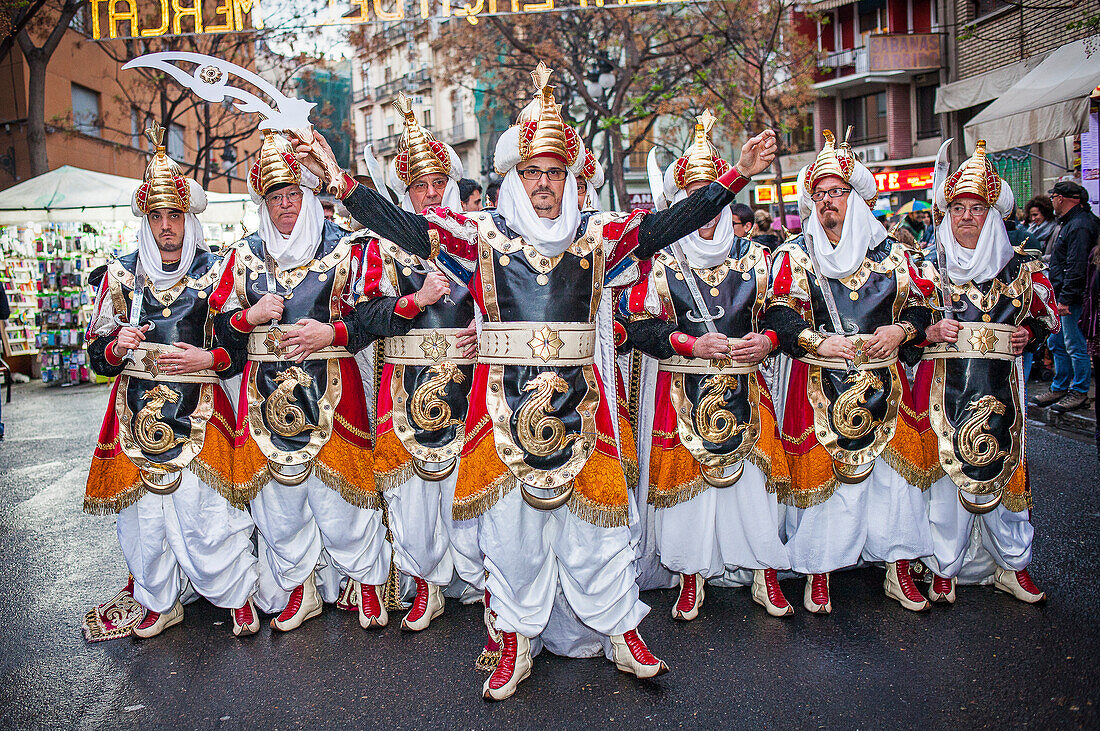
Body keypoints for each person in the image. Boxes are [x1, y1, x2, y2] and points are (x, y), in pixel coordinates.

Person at [293, 62, 776, 701]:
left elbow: (668, 225)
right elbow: (405, 226)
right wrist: (342, 182)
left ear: (568, 176)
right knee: (511, 535)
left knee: (596, 530)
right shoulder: (479, 238)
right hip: (501, 408)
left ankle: (619, 630)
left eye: (554, 172)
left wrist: (735, 177)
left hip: (584, 409)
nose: (544, 184)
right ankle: (516, 638)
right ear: (515, 177)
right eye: (532, 172)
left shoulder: (600, 235)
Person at [82, 123, 259, 639]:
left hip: (200, 411)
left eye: (174, 216)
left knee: (208, 517)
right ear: (146, 220)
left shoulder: (217, 271)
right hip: (135, 418)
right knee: (145, 524)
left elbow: (237, 346)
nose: (166, 227)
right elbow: (97, 353)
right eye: (156, 217)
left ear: (187, 218)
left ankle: (235, 594)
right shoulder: (119, 275)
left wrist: (207, 358)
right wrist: (117, 346)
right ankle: (158, 599)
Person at [213, 131, 394, 633]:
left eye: (293, 195)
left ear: (309, 195)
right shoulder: (243, 255)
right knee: (280, 503)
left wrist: (332, 331)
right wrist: (248, 317)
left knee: (342, 500)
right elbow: (219, 335)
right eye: (276, 198)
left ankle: (369, 582)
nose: (286, 206)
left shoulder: (347, 249)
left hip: (335, 389)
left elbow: (376, 318)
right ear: (264, 203)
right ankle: (301, 587)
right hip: (264, 397)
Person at [620, 111, 793, 621]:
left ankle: (765, 573)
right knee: (686, 495)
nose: (708, 212)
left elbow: (784, 313)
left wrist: (767, 339)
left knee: (754, 488)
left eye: (713, 199)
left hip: (745, 391)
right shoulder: (659, 263)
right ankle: (690, 577)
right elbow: (635, 327)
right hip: (679, 392)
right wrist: (687, 345)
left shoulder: (757, 256)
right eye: (697, 198)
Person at [763, 130, 936, 615]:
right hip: (820, 384)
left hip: (887, 387)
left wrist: (902, 332)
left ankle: (899, 569)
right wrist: (820, 341)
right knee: (826, 486)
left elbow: (922, 309)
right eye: (818, 195)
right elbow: (779, 315)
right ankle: (819, 572)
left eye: (835, 192)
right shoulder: (796, 254)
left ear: (857, 198)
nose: (826, 203)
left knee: (893, 485)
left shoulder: (895, 256)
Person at [915, 139, 1058, 604]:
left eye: (976, 207)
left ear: (992, 212)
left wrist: (1029, 335)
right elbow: (903, 321)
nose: (966, 217)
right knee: (944, 481)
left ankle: (1013, 565)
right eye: (957, 207)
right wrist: (927, 331)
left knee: (1002, 473)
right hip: (943, 393)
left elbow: (1047, 314)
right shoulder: (927, 267)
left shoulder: (1018, 266)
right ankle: (943, 567)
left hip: (1002, 393)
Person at [364, 94, 482, 631]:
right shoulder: (379, 247)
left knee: (469, 484)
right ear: (404, 191)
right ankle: (427, 584)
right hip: (405, 383)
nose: (431, 195)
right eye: (420, 186)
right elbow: (364, 316)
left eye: (439, 185)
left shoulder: (481, 238)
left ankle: (483, 581)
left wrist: (486, 329)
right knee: (412, 492)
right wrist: (414, 303)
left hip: (471, 381)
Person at [1033, 180, 1098, 413]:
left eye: (1054, 197)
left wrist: (1066, 299)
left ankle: (1079, 391)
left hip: (1073, 298)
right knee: (1058, 343)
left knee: (1074, 345)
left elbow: (1077, 265)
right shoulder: (1071, 223)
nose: (1052, 201)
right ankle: (1060, 386)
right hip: (1063, 294)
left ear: (1062, 198)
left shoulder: (1079, 225)